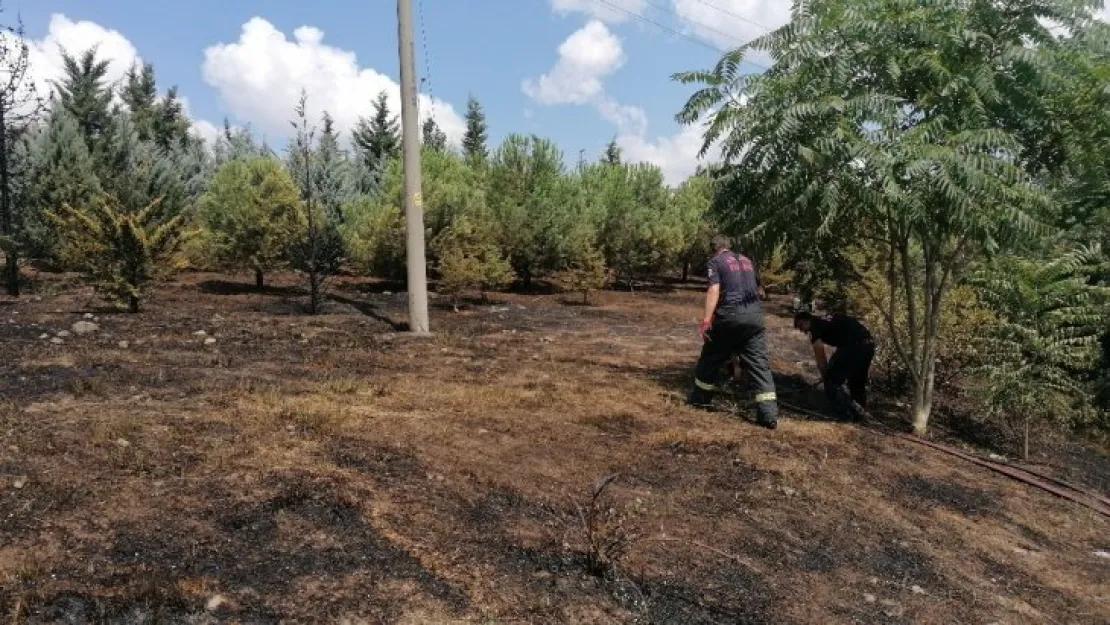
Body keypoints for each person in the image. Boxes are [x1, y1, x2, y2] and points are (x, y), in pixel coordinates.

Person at [687, 235, 779, 429]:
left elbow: (714, 289)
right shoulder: (747, 260)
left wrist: (706, 321)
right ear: (729, 246)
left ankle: (699, 400)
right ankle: (768, 416)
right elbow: (760, 289)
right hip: (755, 318)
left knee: (710, 358)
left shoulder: (716, 261)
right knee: (760, 366)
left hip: (730, 317)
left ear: (715, 249)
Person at [793, 311, 875, 422]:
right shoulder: (824, 319)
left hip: (855, 345)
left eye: (801, 325)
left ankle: (845, 417)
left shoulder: (815, 328)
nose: (802, 330)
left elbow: (820, 357)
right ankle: (859, 416)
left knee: (832, 382)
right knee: (857, 382)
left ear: (808, 320)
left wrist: (826, 377)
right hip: (868, 344)